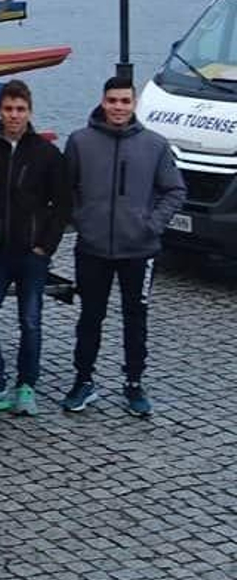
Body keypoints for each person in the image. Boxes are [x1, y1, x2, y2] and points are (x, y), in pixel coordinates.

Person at [62, 75, 186, 417]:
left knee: (136, 319)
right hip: (92, 248)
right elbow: (65, 188)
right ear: (103, 101)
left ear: (134, 105)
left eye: (125, 101)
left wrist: (152, 224)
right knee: (90, 316)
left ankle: (133, 383)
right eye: (113, 101)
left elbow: (174, 190)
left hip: (139, 250)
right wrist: (82, 220)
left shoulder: (155, 145)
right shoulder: (80, 142)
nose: (118, 107)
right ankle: (83, 379)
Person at [0, 82, 71, 416]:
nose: (14, 116)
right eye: (9, 109)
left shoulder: (45, 153)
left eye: (20, 109)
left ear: (29, 111)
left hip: (32, 253)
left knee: (31, 321)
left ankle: (26, 386)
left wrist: (46, 245)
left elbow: (63, 204)